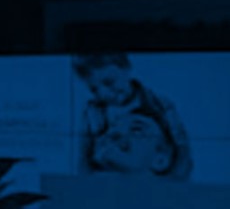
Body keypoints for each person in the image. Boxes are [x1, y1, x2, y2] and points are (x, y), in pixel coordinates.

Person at [72, 52, 193, 181]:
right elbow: (84, 157)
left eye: (109, 82)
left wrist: (168, 185)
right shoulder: (91, 112)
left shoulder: (161, 105)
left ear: (126, 68)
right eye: (94, 89)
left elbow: (183, 151)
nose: (104, 94)